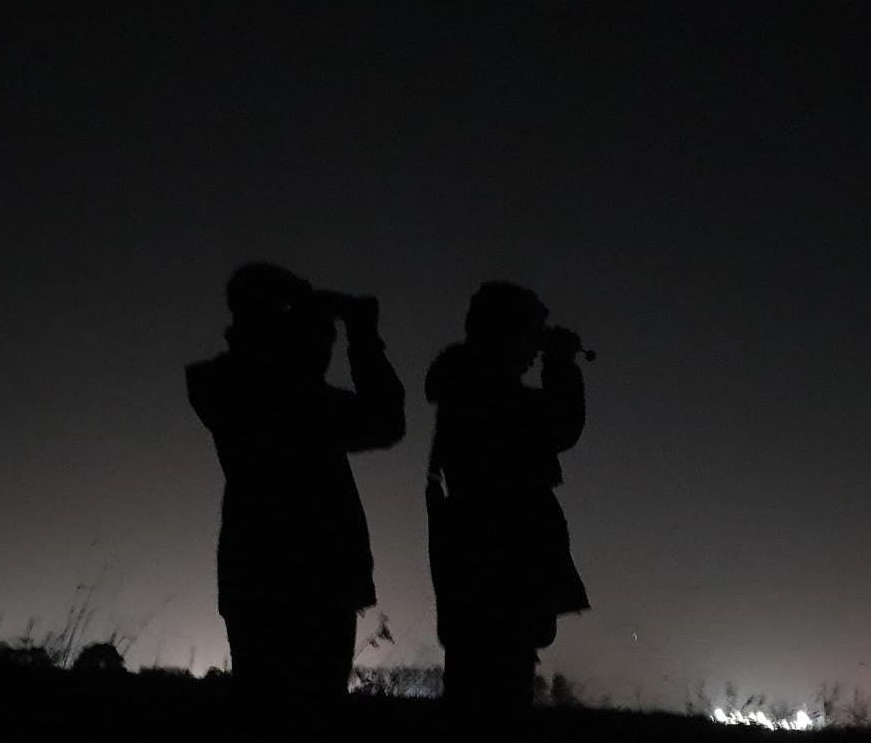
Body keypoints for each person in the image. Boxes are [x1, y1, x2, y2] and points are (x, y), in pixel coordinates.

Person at [185, 262, 405, 707]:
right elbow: (385, 421)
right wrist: (362, 336)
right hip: (314, 582)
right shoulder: (276, 394)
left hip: (257, 577)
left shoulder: (225, 383)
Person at [424, 281, 590, 715]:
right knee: (496, 699)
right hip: (502, 575)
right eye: (530, 333)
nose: (535, 347)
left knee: (480, 688)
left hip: (481, 574)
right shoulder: (487, 395)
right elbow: (560, 425)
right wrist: (560, 365)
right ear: (505, 334)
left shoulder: (464, 387)